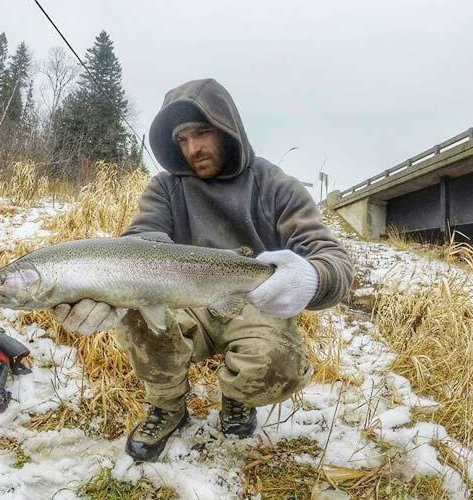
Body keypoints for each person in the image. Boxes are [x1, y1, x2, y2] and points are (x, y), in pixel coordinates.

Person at [52, 78, 354, 461]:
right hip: (179, 301)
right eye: (182, 140)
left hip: (252, 304)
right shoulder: (166, 187)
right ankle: (168, 406)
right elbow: (140, 239)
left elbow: (334, 259)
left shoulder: (275, 185)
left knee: (280, 364)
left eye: (201, 133)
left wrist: (311, 277)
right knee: (135, 317)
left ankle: (237, 396)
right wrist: (109, 291)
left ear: (228, 129)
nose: (192, 148)